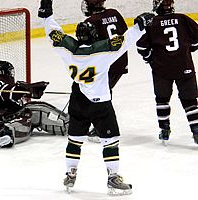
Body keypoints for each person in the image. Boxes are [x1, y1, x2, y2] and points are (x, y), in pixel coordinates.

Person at [38, 0, 154, 195]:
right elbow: (126, 40)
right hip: (100, 104)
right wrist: (141, 26)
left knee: (75, 139)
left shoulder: (68, 50)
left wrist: (46, 16)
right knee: (110, 141)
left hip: (78, 101)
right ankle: (113, 178)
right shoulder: (102, 51)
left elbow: (54, 33)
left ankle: (70, 174)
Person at [136, 0, 198, 145]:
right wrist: (188, 50)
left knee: (162, 99)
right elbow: (196, 41)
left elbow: (141, 47)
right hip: (185, 65)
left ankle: (164, 130)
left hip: (161, 68)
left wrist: (151, 58)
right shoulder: (183, 19)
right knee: (190, 101)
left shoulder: (152, 23)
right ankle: (196, 130)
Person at [0, 60, 69, 148]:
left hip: (13, 115)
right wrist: (28, 88)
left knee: (37, 108)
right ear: (4, 72)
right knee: (18, 119)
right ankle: (5, 134)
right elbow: (9, 93)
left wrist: (31, 90)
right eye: (11, 71)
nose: (12, 74)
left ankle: (68, 124)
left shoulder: (13, 85)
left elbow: (16, 93)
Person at [81, 0, 129, 142]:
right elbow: (125, 34)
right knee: (104, 91)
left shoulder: (91, 21)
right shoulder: (114, 13)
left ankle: (104, 129)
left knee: (101, 94)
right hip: (120, 62)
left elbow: (90, 47)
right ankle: (100, 125)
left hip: (105, 64)